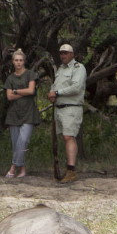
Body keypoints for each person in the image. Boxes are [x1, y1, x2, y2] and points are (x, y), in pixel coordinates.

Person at [47, 44, 86, 183]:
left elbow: (76, 87)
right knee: (65, 138)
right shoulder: (61, 69)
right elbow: (56, 85)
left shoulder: (78, 68)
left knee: (69, 137)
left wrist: (57, 93)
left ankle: (71, 170)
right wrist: (52, 93)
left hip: (72, 107)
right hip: (60, 108)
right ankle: (68, 169)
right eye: (61, 53)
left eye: (66, 53)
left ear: (72, 54)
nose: (63, 56)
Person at [4, 49, 40, 178]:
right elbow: (9, 97)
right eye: (16, 60)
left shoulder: (30, 74)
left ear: (24, 61)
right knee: (16, 143)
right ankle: (22, 169)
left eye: (20, 60)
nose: (18, 63)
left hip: (29, 113)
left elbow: (31, 91)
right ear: (13, 62)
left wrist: (16, 91)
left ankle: (13, 167)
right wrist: (20, 93)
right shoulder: (10, 78)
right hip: (14, 114)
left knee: (23, 140)